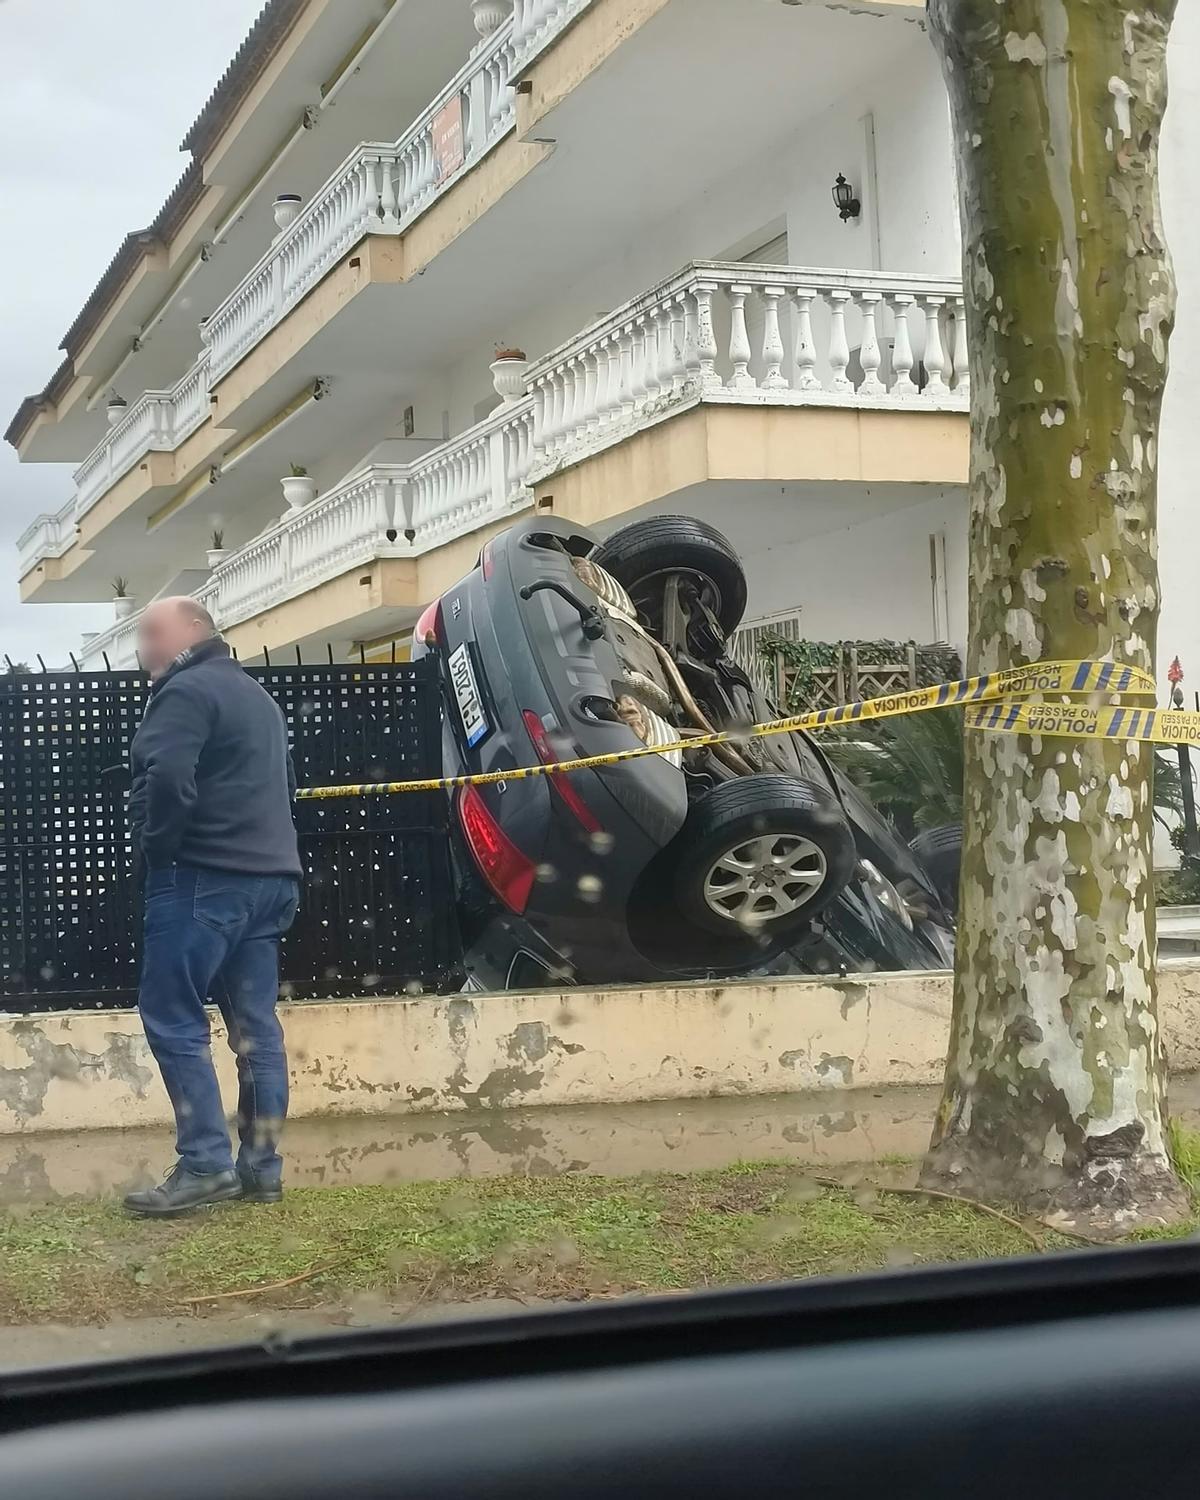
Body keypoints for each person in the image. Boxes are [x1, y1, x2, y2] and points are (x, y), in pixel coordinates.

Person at [123, 598, 302, 1218]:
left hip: (203, 877)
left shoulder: (185, 690)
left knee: (172, 1018)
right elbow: (282, 786)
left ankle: (204, 1165)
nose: (142, 645)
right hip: (270, 880)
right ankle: (261, 1170)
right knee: (257, 1032)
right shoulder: (258, 699)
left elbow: (168, 777)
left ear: (194, 631)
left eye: (152, 632)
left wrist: (158, 849)